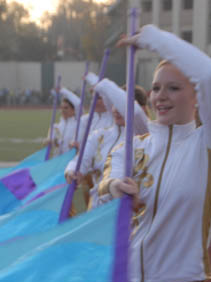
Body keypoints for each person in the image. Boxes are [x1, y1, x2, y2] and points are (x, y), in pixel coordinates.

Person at [99, 25, 211, 282]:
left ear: (196, 97)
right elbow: (107, 181)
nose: (161, 96)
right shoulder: (134, 147)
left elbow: (210, 76)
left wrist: (153, 39)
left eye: (174, 88)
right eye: (157, 88)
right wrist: (117, 187)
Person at [64, 78, 149, 210]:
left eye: (121, 105)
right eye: (113, 105)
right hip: (97, 211)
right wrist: (73, 171)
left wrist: (101, 83)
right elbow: (81, 160)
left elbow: (135, 112)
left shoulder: (144, 134)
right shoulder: (99, 135)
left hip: (129, 214)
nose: (115, 110)